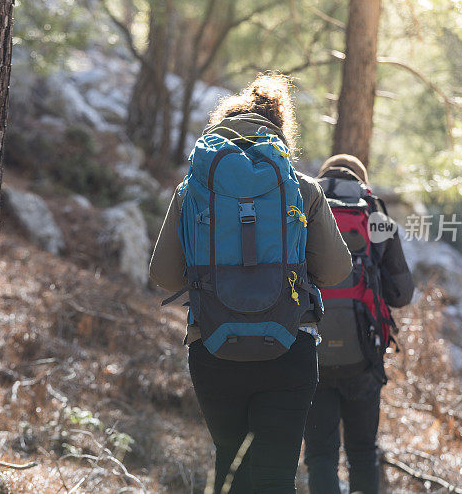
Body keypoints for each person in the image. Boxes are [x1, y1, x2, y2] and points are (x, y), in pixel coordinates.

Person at [150, 74, 352, 493]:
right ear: (279, 131)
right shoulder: (303, 189)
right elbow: (336, 272)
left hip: (213, 346)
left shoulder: (192, 190)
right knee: (276, 477)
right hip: (288, 347)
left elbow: (163, 276)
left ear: (222, 128)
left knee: (231, 470)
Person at [303, 154, 415, 494]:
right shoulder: (376, 215)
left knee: (321, 454)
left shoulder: (304, 210)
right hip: (364, 357)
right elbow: (401, 294)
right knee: (363, 452)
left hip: (313, 354)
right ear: (360, 180)